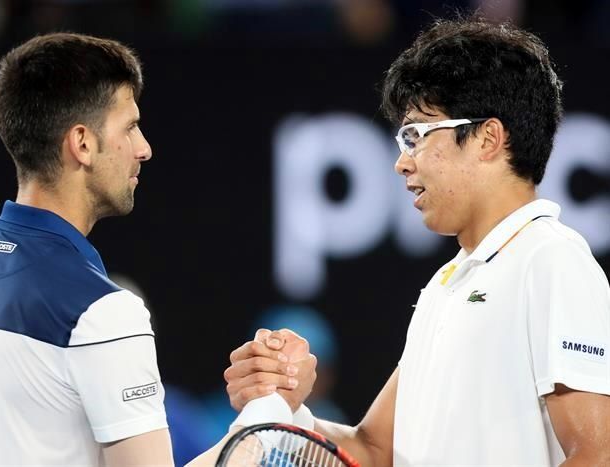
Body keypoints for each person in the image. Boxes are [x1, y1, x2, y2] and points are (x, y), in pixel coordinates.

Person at [224, 16, 610, 466]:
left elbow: (597, 454)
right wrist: (280, 411)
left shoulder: (551, 260)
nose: (401, 164)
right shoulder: (446, 286)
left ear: (487, 138)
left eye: (416, 135)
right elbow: (372, 450)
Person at [0, 32, 292, 466]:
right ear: (83, 143)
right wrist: (268, 416)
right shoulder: (104, 314)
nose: (144, 148)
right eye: (129, 127)